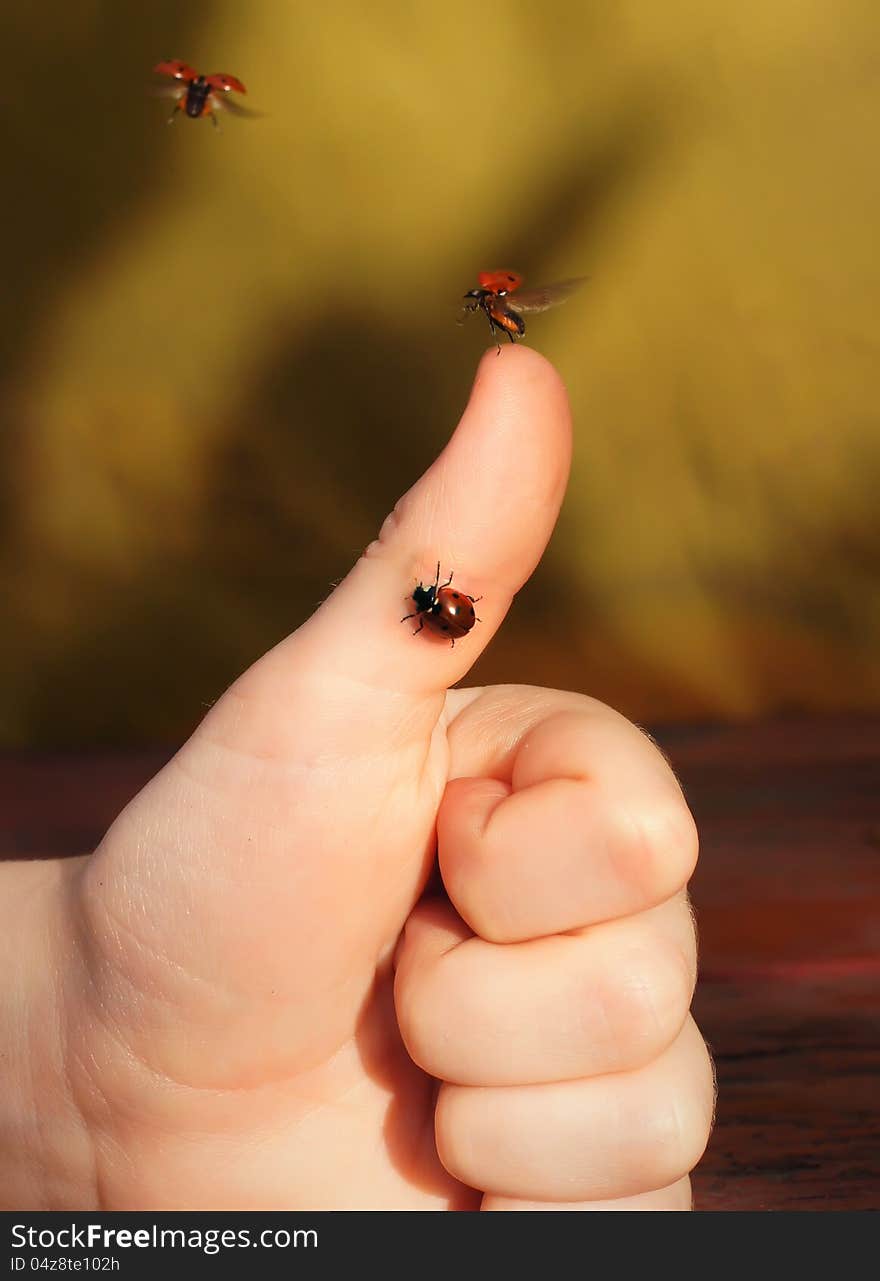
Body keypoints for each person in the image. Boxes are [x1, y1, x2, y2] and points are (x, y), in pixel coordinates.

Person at [1, 347, 714, 1211]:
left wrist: (62, 1062)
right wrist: (57, 1056)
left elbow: (440, 607)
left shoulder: (430, 609)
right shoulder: (432, 610)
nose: (433, 607)